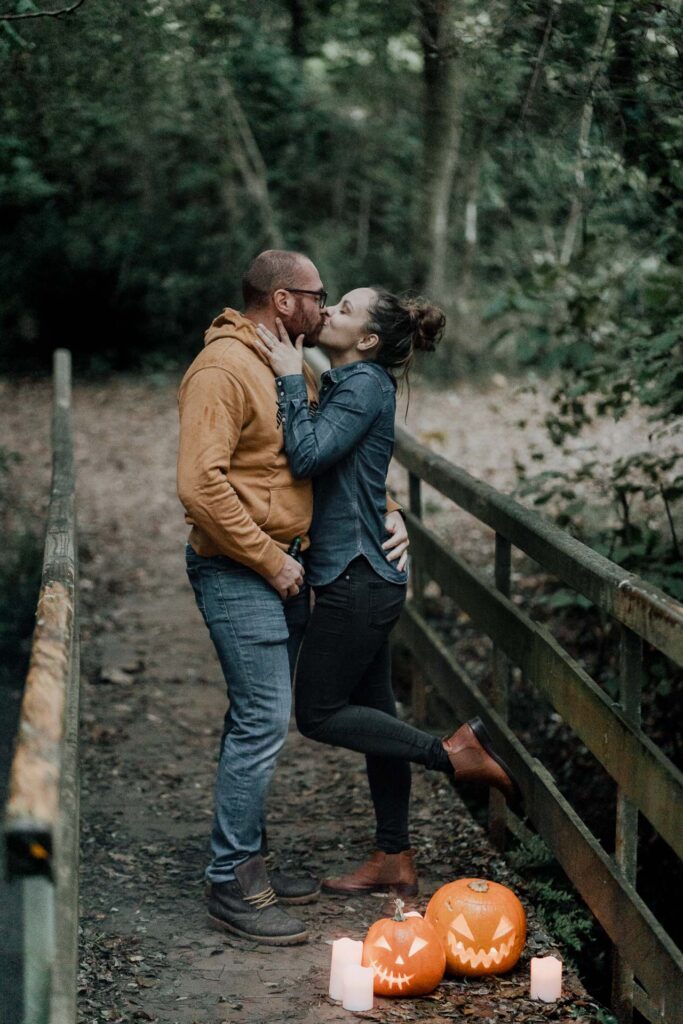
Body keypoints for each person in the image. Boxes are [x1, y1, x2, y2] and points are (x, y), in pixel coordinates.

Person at [254, 286, 521, 900]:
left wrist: (292, 379)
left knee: (318, 713)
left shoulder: (364, 384)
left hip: (358, 579)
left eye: (344, 309)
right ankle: (394, 858)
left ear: (368, 340)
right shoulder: (351, 379)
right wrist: (391, 506)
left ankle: (452, 753)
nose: (330, 313)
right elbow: (354, 471)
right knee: (375, 716)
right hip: (363, 574)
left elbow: (308, 456)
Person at [176, 250, 410, 946]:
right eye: (318, 295)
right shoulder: (221, 369)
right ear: (284, 301)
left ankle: (251, 860)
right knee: (264, 717)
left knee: (254, 715)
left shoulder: (288, 364)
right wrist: (269, 558)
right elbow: (199, 485)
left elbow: (333, 458)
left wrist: (390, 509)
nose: (325, 304)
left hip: (289, 565)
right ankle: (230, 881)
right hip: (242, 568)